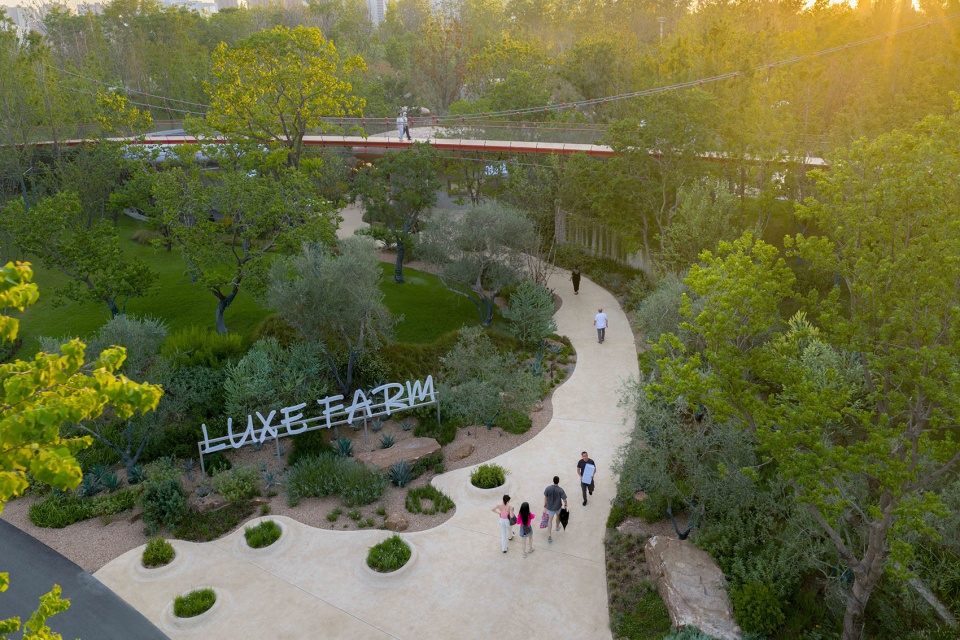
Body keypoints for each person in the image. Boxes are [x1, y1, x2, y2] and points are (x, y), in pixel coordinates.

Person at [543, 476, 568, 543]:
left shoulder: (548, 488)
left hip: (550, 508)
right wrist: (565, 505)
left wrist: (544, 505)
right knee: (558, 517)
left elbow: (545, 497)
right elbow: (565, 499)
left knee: (550, 520)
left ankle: (549, 535)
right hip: (558, 507)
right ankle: (557, 527)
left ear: (553, 480)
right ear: (558, 481)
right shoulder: (560, 490)